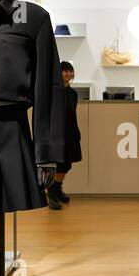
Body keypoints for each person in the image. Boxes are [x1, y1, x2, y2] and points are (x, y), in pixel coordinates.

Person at [49, 60, 83, 208]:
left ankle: (56, 187)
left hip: (70, 132)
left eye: (71, 71)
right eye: (65, 71)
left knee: (67, 164)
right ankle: (52, 192)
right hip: (57, 133)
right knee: (59, 163)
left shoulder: (73, 93)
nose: (69, 73)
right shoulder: (53, 92)